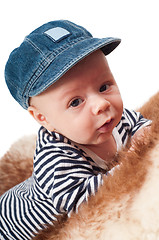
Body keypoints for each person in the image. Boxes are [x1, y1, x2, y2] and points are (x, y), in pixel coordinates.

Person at [0, 20, 151, 240]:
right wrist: (132, 164)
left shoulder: (114, 118)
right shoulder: (55, 161)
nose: (101, 104)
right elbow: (88, 205)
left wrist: (145, 133)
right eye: (75, 102)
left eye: (103, 87)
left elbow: (140, 125)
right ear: (43, 118)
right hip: (13, 224)